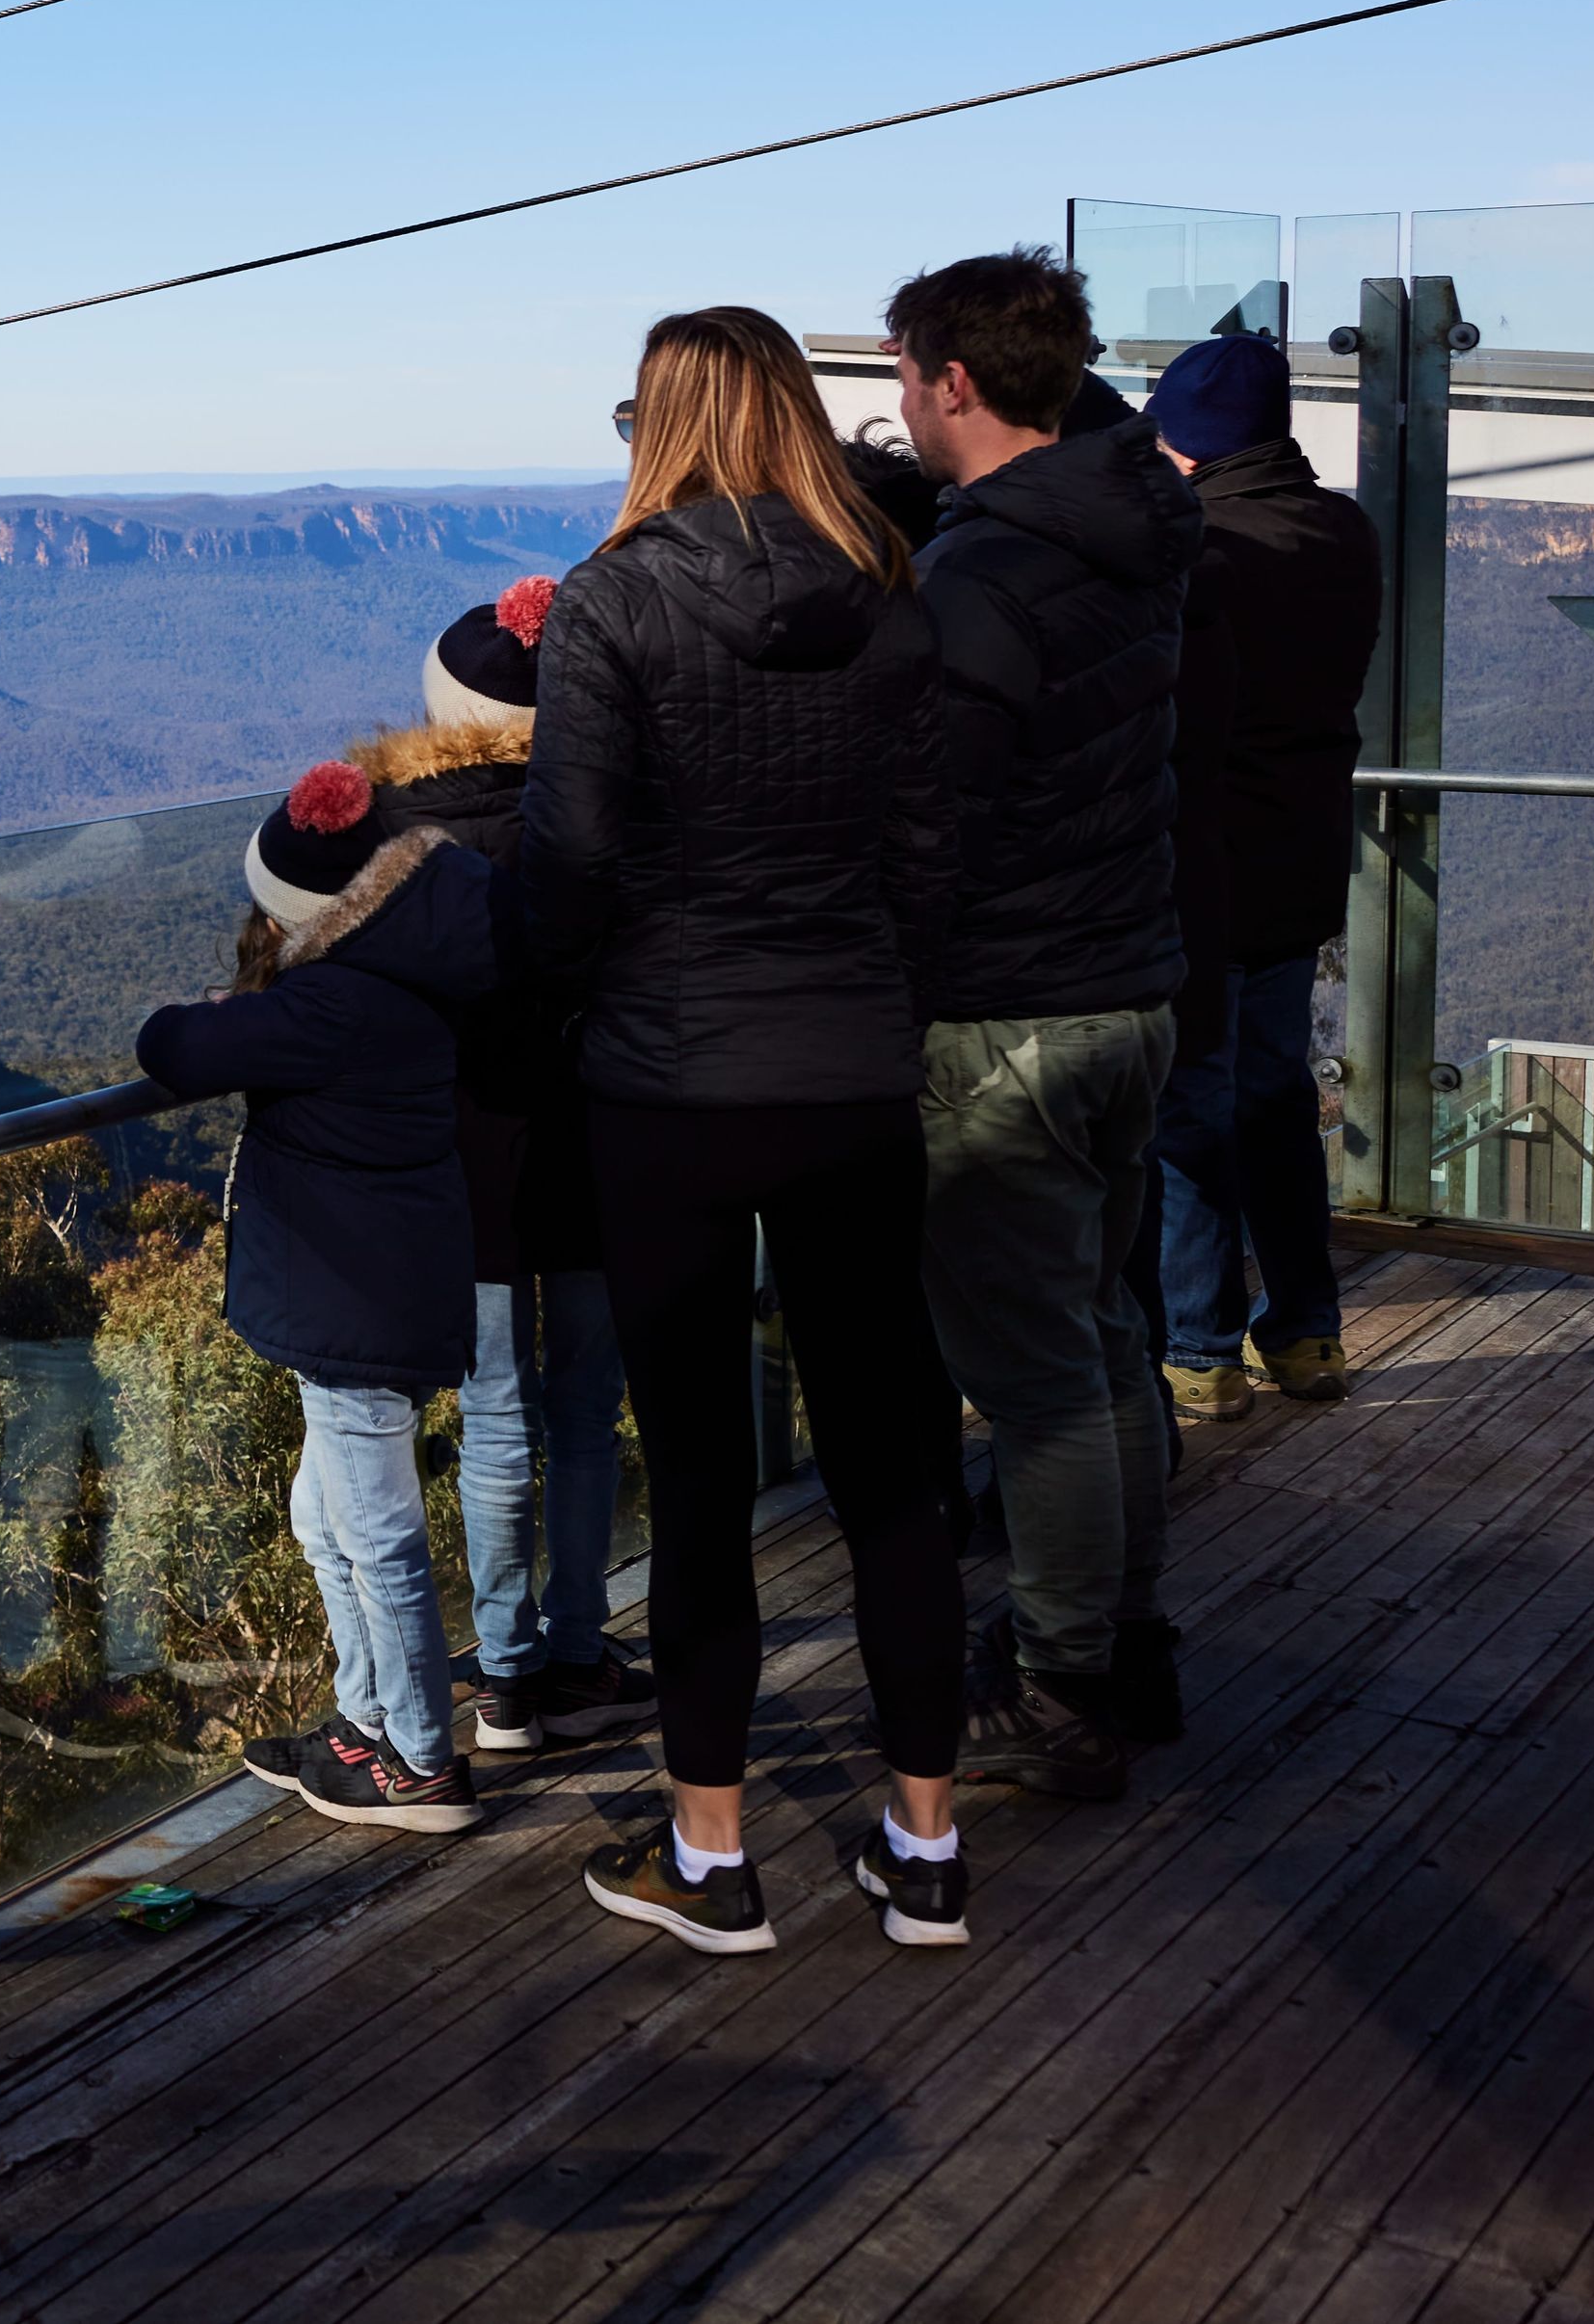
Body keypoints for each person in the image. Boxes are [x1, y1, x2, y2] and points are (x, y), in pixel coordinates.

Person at [522, 305, 969, 1954]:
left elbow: (568, 855)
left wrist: (557, 1001)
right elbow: (926, 858)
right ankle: (924, 1843)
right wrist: (879, 1007)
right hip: (850, 1079)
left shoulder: (607, 601)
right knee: (890, 1463)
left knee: (701, 1475)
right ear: (792, 412)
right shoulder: (891, 597)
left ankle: (708, 1859)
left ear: (657, 422)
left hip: (667, 1089)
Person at [887, 247, 1208, 1791]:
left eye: (903, 376)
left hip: (1007, 1021)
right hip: (1130, 988)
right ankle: (1123, 1639)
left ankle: (1060, 1682)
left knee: (1034, 1380)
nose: (899, 406)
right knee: (1103, 1335)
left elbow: (932, 827)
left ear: (952, 381)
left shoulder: (981, 578)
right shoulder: (1129, 529)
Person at [138, 757, 500, 1835]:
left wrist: (225, 1007)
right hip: (382, 1292)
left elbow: (171, 1047)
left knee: (376, 1533)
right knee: (321, 1517)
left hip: (354, 1310)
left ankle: (420, 1763)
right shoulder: (404, 971)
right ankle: (365, 1720)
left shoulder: (334, 1002)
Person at [350, 580, 648, 1758]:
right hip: (595, 1132)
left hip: (454, 1156)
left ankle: (505, 1676)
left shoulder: (383, 839)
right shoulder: (607, 814)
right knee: (583, 1411)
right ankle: (576, 1651)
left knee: (493, 1416)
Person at [1145, 329, 1382, 1419]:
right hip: (1302, 856)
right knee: (1276, 1103)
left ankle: (1200, 1349)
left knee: (1192, 1113)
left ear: (1188, 443)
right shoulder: (1344, 530)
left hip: (1205, 866)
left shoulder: (1202, 548)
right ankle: (1304, 1332)